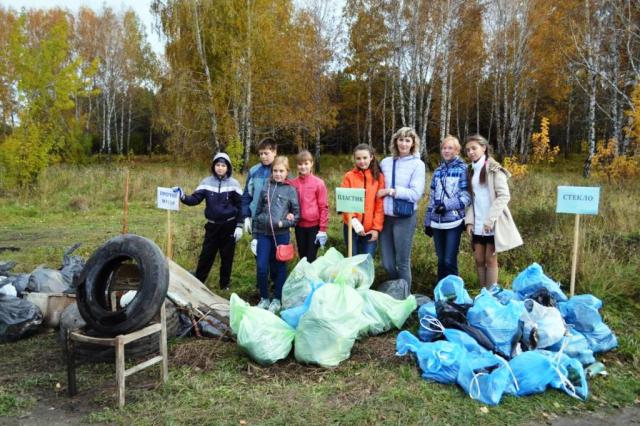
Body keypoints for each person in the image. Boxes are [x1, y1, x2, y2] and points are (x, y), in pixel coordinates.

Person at [174, 152, 243, 290]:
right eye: (217, 165)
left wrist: (239, 225)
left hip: (229, 225)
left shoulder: (234, 184)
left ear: (228, 167)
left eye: (223, 165)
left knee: (226, 257)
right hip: (212, 226)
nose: (220, 168)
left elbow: (241, 206)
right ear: (213, 166)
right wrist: (182, 196)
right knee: (206, 255)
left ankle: (224, 284)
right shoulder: (206, 182)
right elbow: (194, 199)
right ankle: (198, 283)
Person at [464, 134, 523, 288]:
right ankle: (483, 292)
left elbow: (504, 196)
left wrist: (490, 220)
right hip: (477, 223)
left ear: (484, 148)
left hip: (492, 223)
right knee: (478, 259)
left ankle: (490, 294)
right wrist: (469, 221)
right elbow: (473, 198)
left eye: (474, 148)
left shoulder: (494, 169)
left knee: (490, 260)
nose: (471, 152)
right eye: (468, 149)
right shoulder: (471, 170)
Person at [378, 127, 426, 290]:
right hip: (385, 218)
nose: (404, 143)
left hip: (404, 218)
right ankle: (396, 289)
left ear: (413, 143)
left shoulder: (417, 164)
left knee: (402, 263)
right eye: (401, 139)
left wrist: (391, 191)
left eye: (408, 140)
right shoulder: (385, 162)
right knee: (387, 262)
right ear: (395, 141)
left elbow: (415, 193)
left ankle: (405, 299)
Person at [252, 156, 300, 313]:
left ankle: (277, 299)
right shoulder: (266, 186)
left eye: (281, 171)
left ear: (287, 172)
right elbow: (257, 211)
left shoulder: (290, 190)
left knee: (280, 268)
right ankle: (264, 298)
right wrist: (255, 235)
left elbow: (296, 216)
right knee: (261, 267)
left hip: (281, 235)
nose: (278, 174)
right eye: (275, 171)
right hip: (263, 234)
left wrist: (283, 223)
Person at [423, 135, 471, 282]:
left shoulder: (463, 169)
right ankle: (441, 293)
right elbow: (431, 197)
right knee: (441, 260)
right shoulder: (438, 171)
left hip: (454, 221)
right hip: (437, 222)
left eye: (450, 148)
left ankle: (454, 294)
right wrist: (427, 221)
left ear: (457, 150)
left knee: (449, 260)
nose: (446, 150)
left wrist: (447, 205)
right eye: (444, 148)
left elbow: (466, 197)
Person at [340, 144, 385, 257]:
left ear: (371, 157)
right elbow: (344, 202)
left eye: (365, 158)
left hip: (370, 228)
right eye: (358, 158)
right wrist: (354, 221)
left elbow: (380, 206)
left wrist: (376, 228)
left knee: (366, 261)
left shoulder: (379, 177)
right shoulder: (349, 176)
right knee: (352, 260)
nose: (362, 161)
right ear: (354, 159)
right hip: (351, 227)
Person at [289, 150, 329, 262]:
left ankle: (312, 279)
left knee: (311, 258)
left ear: (311, 163)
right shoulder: (293, 184)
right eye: (300, 164)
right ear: (297, 166)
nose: (303, 167)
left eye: (306, 163)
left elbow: (323, 207)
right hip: (299, 226)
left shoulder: (318, 183)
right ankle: (304, 278)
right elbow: (289, 204)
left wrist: (322, 229)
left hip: (314, 227)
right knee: (302, 257)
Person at [241, 137, 277, 256]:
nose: (263, 156)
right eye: (261, 154)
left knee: (275, 253)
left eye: (266, 153)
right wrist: (246, 216)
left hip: (276, 220)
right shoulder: (253, 171)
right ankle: (262, 274)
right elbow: (247, 195)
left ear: (274, 152)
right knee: (259, 254)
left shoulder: (281, 170)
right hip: (257, 220)